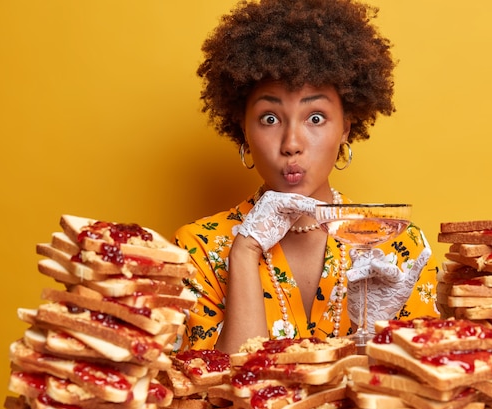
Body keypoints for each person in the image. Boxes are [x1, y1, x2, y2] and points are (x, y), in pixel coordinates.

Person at [173, 0, 439, 354]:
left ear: (346, 126)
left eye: (315, 118)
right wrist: (244, 252)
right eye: (270, 118)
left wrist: (379, 335)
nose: (292, 144)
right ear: (243, 130)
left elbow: (416, 395)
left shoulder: (397, 247)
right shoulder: (198, 249)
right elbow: (212, 396)